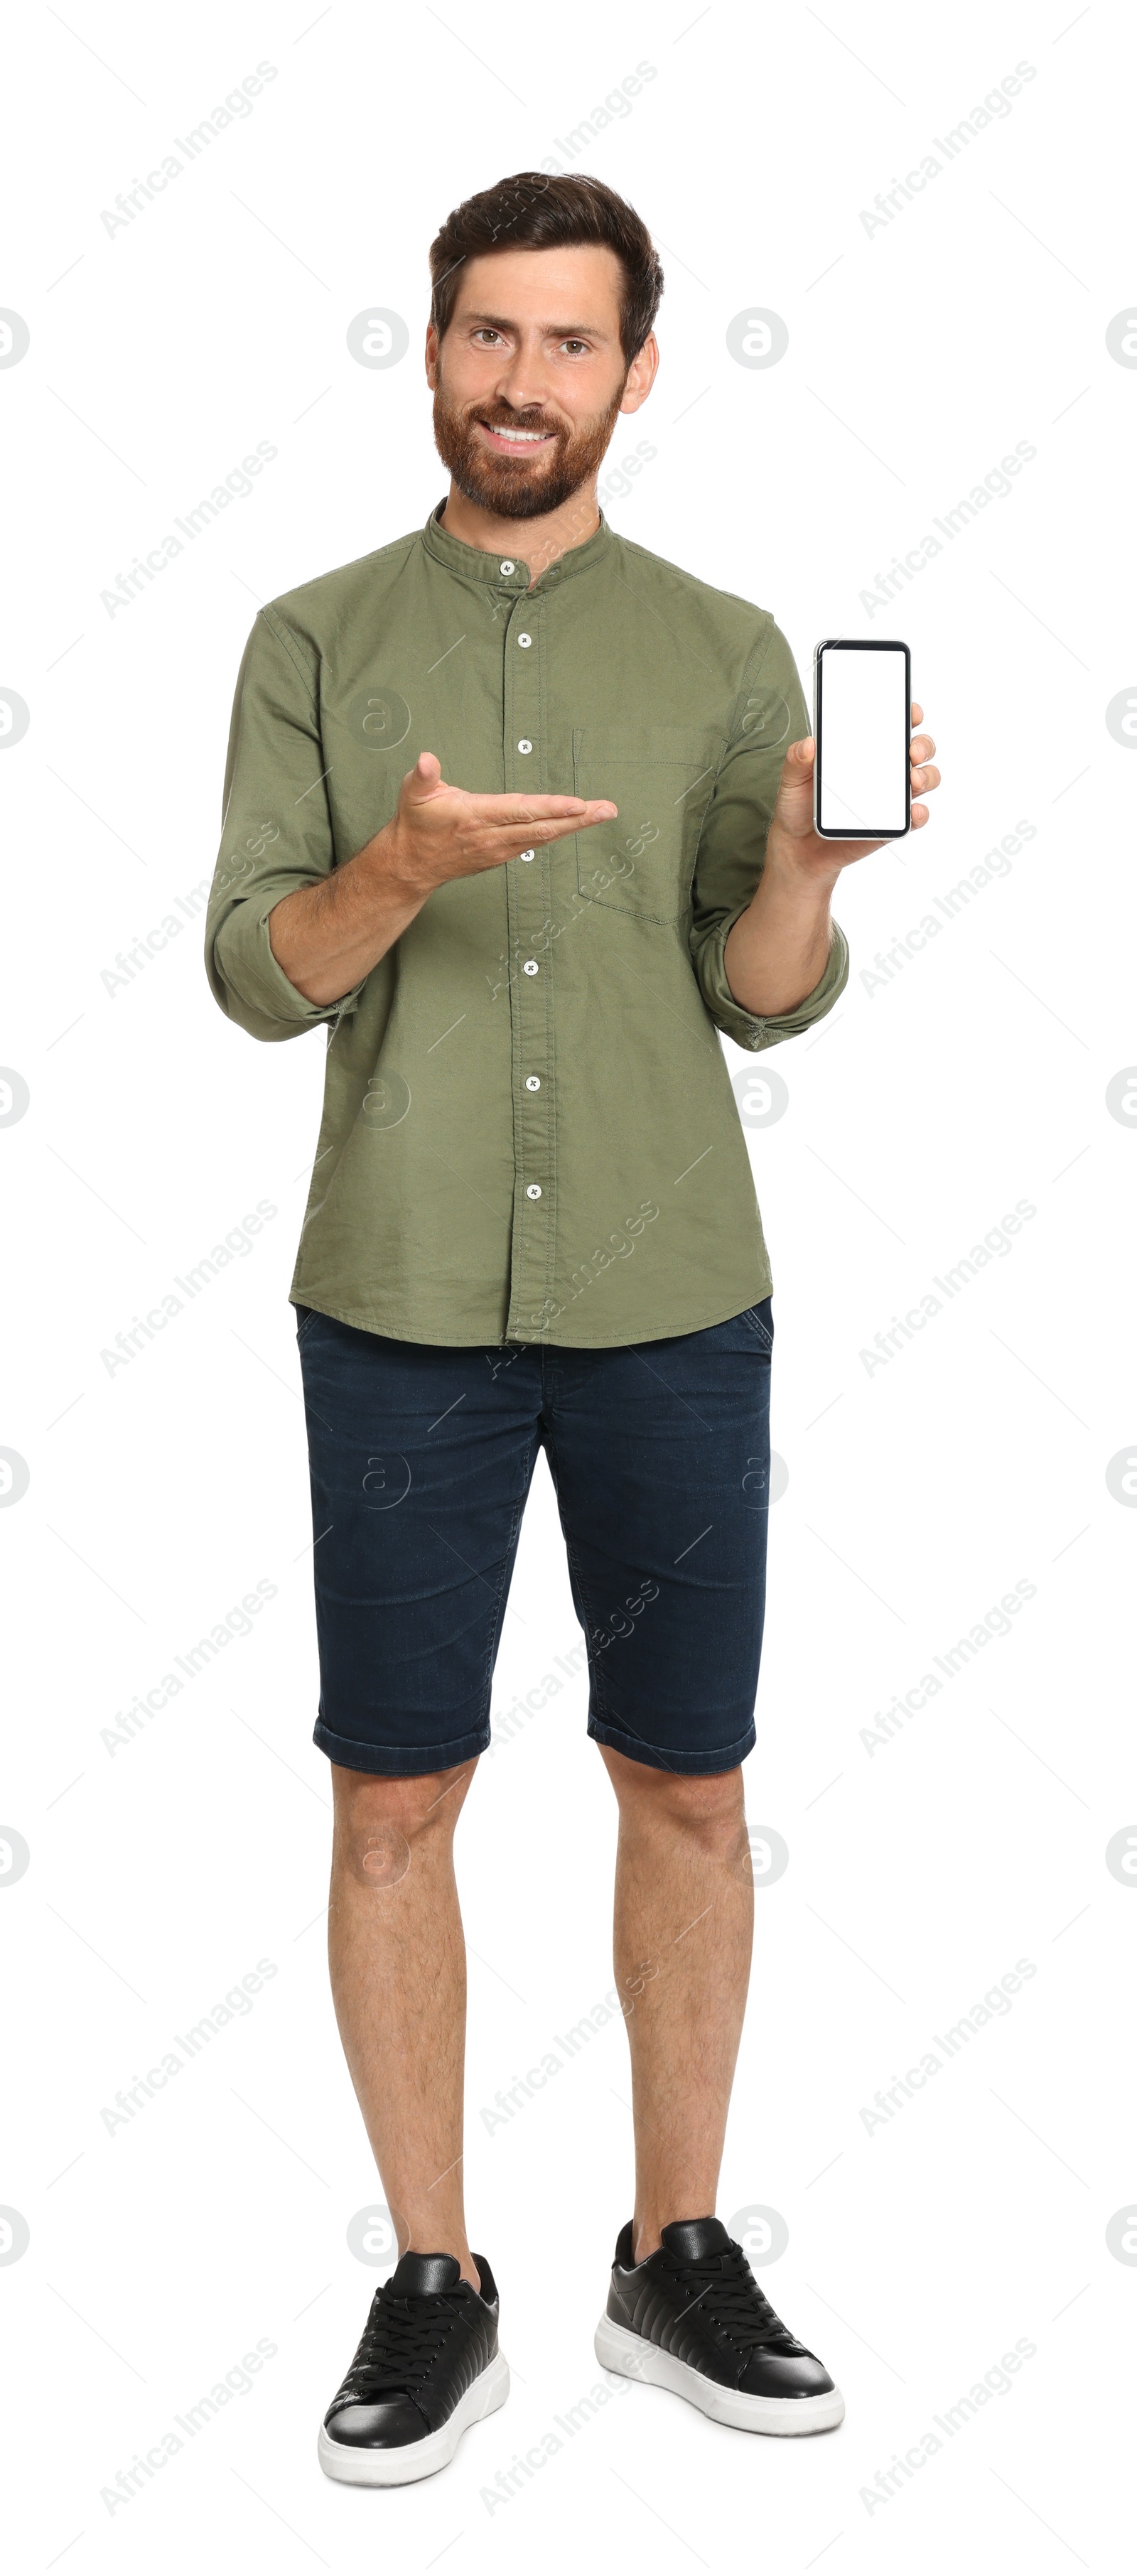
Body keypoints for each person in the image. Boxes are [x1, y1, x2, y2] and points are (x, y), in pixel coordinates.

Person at [205, 169, 940, 2489]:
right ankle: (437, 2281)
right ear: (430, 354)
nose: (519, 381)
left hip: (667, 1305)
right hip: (397, 1309)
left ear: (637, 371)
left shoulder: (724, 648)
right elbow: (255, 975)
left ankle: (675, 2247)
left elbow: (759, 995)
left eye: (566, 343)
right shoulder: (310, 638)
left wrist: (812, 862)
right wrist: (399, 869)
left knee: (690, 1779)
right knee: (396, 1790)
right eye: (483, 336)